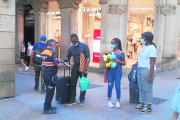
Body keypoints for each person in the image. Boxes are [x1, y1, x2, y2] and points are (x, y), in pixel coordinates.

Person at [133, 31, 157, 114]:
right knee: (141, 88)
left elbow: (152, 63)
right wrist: (137, 62)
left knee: (147, 89)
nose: (141, 39)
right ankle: (141, 104)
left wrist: (150, 76)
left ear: (147, 38)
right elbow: (143, 57)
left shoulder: (152, 48)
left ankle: (149, 107)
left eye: (142, 37)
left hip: (147, 70)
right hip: (140, 69)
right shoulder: (144, 47)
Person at [63, 34, 90, 106]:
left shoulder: (84, 46)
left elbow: (88, 58)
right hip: (75, 67)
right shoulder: (71, 48)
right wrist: (65, 59)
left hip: (83, 68)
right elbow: (68, 56)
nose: (73, 43)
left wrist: (85, 67)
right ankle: (72, 100)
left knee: (83, 84)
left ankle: (82, 99)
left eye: (74, 41)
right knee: (73, 84)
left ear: (77, 39)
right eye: (72, 41)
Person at [41, 39, 66, 114]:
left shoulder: (43, 52)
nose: (54, 46)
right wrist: (63, 65)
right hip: (50, 74)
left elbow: (41, 64)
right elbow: (58, 64)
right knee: (50, 91)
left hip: (45, 73)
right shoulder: (52, 53)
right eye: (54, 45)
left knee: (49, 90)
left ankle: (49, 106)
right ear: (52, 45)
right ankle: (46, 108)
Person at [105, 38, 125, 108]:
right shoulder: (110, 52)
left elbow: (124, 63)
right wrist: (107, 59)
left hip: (118, 70)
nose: (112, 45)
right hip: (110, 70)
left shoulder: (121, 53)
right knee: (110, 85)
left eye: (113, 43)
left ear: (117, 44)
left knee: (117, 86)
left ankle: (118, 101)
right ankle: (109, 101)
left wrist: (117, 61)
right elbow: (107, 61)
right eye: (111, 43)